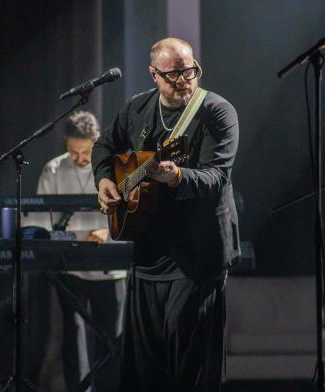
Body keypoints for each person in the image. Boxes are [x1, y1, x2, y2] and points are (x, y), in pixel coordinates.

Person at [91, 37, 240, 390]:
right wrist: (104, 181)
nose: (184, 80)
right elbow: (104, 146)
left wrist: (176, 176)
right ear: (154, 74)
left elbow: (216, 177)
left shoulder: (216, 111)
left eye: (190, 71)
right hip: (148, 252)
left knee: (191, 366)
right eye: (173, 74)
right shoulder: (138, 107)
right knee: (145, 368)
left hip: (196, 255)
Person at [35, 110, 126, 392]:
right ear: (66, 143)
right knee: (72, 336)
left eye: (85, 152)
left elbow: (132, 215)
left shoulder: (115, 166)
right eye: (74, 152)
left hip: (110, 268)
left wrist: (108, 233)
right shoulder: (53, 170)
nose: (79, 159)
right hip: (69, 265)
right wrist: (67, 237)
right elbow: (39, 223)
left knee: (111, 339)